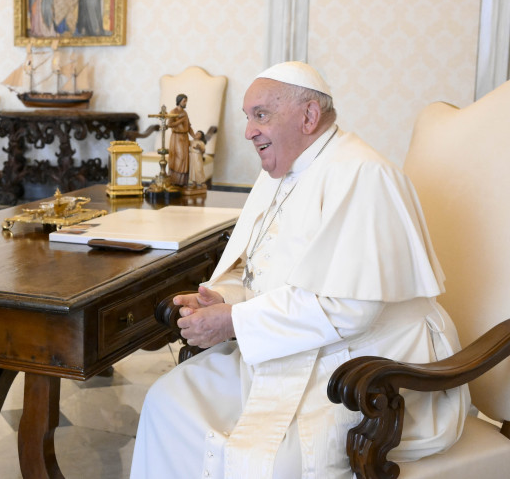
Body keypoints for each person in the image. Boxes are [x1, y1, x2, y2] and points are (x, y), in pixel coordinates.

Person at [131, 62, 469, 479]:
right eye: (247, 116)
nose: (248, 130)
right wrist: (223, 299)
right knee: (168, 402)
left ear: (309, 116)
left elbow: (350, 309)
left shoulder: (364, 174)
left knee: (278, 462)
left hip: (375, 363)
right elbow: (259, 267)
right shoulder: (279, 171)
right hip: (297, 343)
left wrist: (234, 321)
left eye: (261, 115)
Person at [165, 94, 192, 187]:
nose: (185, 103)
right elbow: (169, 124)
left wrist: (194, 136)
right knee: (178, 158)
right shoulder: (173, 111)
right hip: (177, 138)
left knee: (185, 159)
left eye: (186, 101)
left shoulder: (185, 112)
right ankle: (174, 181)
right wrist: (180, 120)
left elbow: (188, 126)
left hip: (185, 137)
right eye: (184, 101)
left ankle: (182, 182)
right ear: (179, 101)